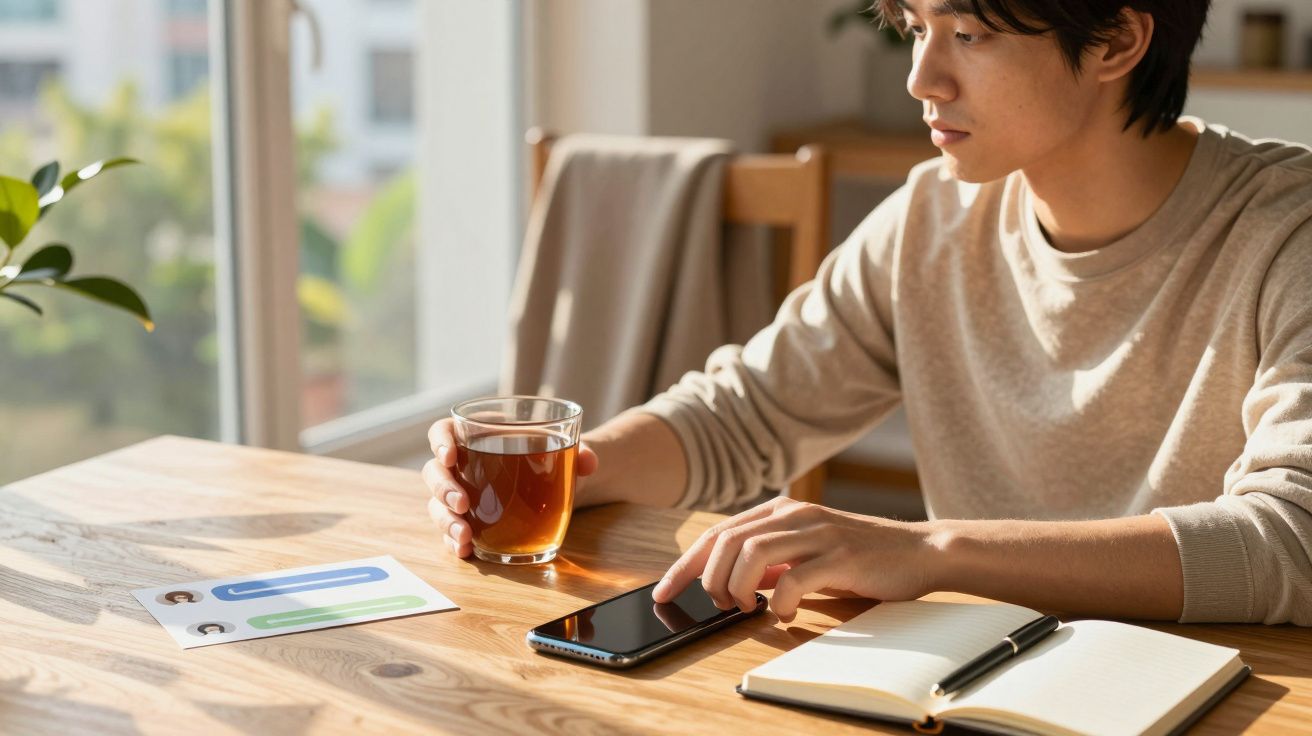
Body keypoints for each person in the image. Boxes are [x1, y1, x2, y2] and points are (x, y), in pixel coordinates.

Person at [426, 0, 1312, 626]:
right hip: (977, 674)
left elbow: (1293, 541)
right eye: (919, 27)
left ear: (1118, 39)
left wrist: (934, 551)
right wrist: (578, 468)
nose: (923, 76)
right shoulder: (933, 216)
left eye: (966, 32)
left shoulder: (1286, 233)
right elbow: (749, 411)